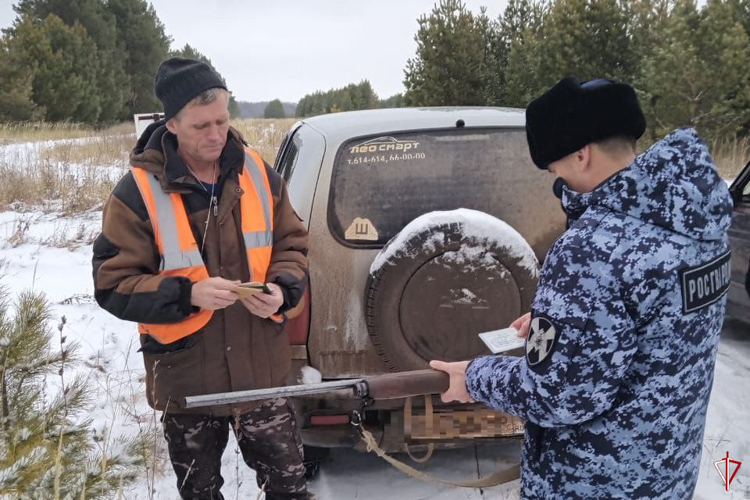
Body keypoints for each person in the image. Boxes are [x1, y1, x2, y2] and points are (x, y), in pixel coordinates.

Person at [431, 77, 733, 499]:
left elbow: (557, 396)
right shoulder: (699, 224)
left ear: (581, 153)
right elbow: (658, 324)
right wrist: (568, 324)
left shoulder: (590, 250)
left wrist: (474, 375)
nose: (560, 184)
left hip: (592, 484)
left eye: (556, 170)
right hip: (667, 475)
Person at [92, 58, 310, 500]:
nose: (216, 135)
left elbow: (293, 245)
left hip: (261, 373)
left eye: (223, 121)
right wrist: (188, 294)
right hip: (186, 379)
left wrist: (282, 290)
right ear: (171, 124)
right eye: (200, 126)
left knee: (290, 491)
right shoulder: (136, 192)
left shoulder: (258, 173)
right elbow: (111, 285)